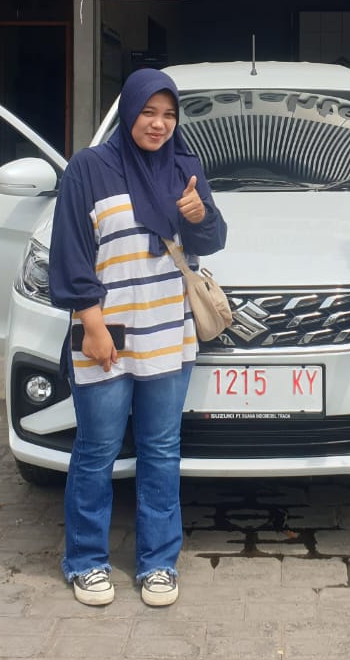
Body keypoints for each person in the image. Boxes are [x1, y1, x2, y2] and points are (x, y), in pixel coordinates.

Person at [48, 67, 226, 609]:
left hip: (169, 334)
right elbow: (71, 252)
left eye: (169, 115)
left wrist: (198, 214)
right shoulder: (89, 168)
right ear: (128, 111)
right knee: (97, 450)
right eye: (148, 112)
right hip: (107, 333)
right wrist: (92, 325)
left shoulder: (184, 168)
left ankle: (158, 563)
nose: (158, 124)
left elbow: (212, 239)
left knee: (161, 451)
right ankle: (85, 560)